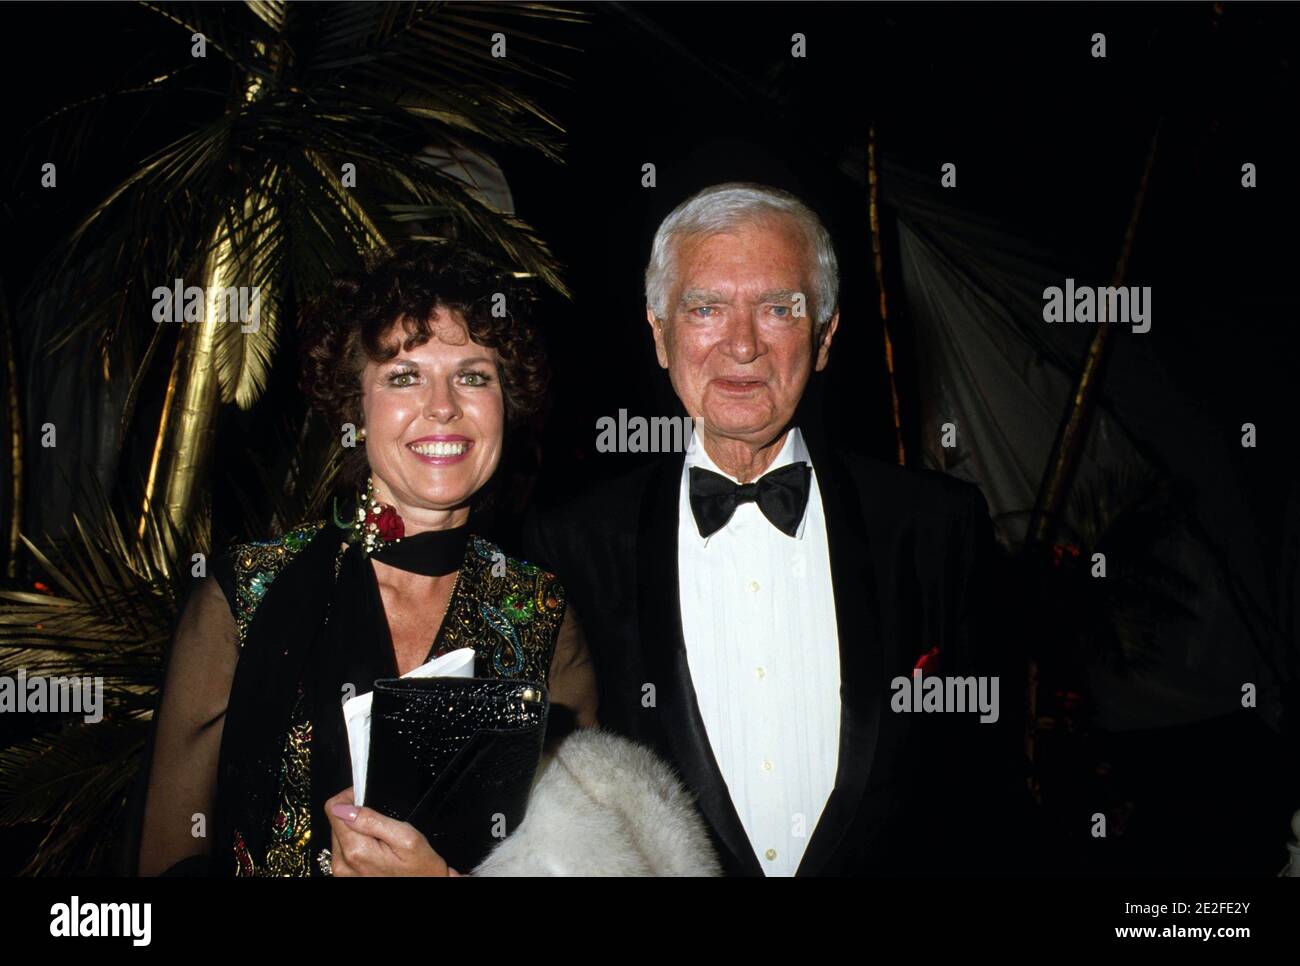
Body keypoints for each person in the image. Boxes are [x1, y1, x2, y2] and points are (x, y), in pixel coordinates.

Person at [524, 182, 1029, 876]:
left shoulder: (937, 526)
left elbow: (983, 790)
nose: (742, 344)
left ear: (824, 338)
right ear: (660, 334)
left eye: (779, 309)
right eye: (705, 308)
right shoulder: (570, 544)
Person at [132, 244, 602, 877]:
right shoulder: (245, 592)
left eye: (472, 375)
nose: (443, 405)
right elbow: (166, 863)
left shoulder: (543, 613)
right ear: (355, 406)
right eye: (404, 377)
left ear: (506, 404)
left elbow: (588, 861)